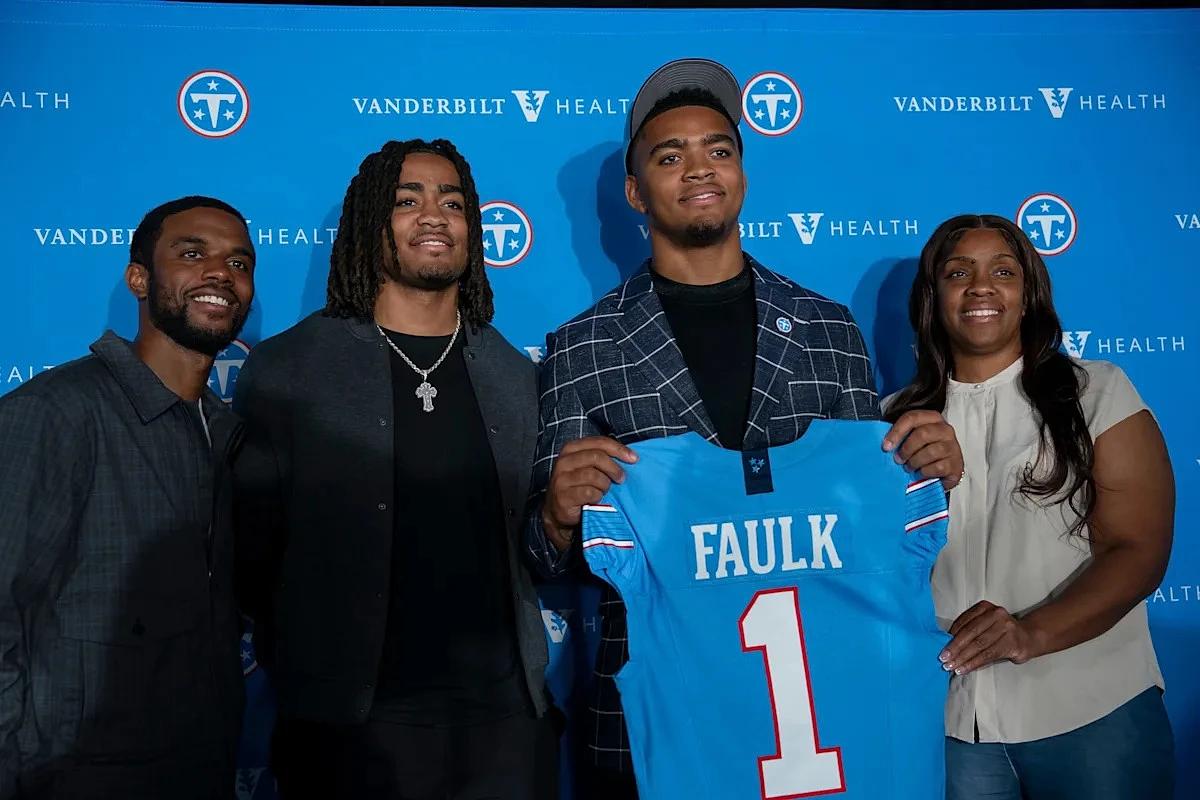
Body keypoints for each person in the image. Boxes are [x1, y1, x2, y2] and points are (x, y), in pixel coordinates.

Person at [523, 58, 966, 798]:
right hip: (664, 721)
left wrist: (927, 471)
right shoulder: (582, 346)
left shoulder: (826, 327)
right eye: (670, 156)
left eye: (718, 149)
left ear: (742, 174)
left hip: (821, 713)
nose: (699, 168)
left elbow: (867, 524)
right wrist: (557, 514)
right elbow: (546, 559)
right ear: (635, 192)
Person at [232, 138, 556, 800]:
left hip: (502, 729)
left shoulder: (516, 376)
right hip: (347, 733)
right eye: (407, 200)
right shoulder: (290, 370)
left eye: (452, 202)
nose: (433, 215)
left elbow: (533, 546)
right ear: (368, 223)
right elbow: (252, 560)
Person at [885, 214, 1175, 800]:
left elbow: (1138, 550)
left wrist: (1029, 634)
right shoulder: (891, 423)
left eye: (1003, 272)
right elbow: (876, 567)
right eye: (958, 273)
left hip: (1093, 711)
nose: (981, 286)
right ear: (933, 296)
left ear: (1028, 294)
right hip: (951, 726)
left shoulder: (1098, 392)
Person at [0, 196, 256, 799]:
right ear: (139, 279)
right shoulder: (54, 413)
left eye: (239, 263)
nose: (220, 273)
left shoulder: (222, 431)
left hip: (200, 766)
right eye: (191, 254)